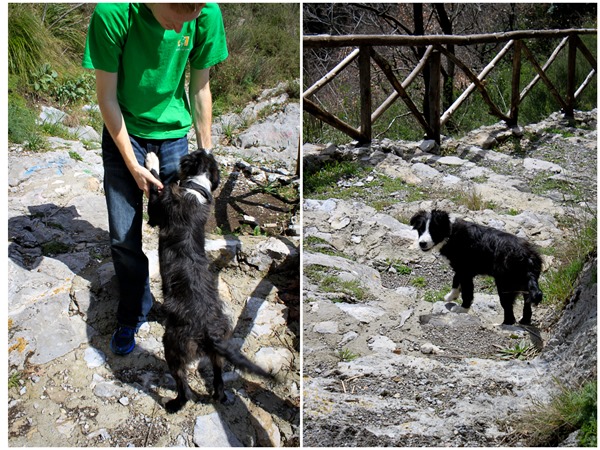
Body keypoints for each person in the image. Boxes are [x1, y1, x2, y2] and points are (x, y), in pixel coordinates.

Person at [82, 3, 228, 355]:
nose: (180, 31)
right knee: (123, 236)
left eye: (187, 22)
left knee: (181, 232)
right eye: (171, 20)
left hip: (175, 136)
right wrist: (132, 164)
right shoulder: (113, 13)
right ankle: (133, 311)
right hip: (124, 128)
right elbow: (106, 97)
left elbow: (200, 88)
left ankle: (183, 306)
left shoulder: (206, 12)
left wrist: (205, 153)